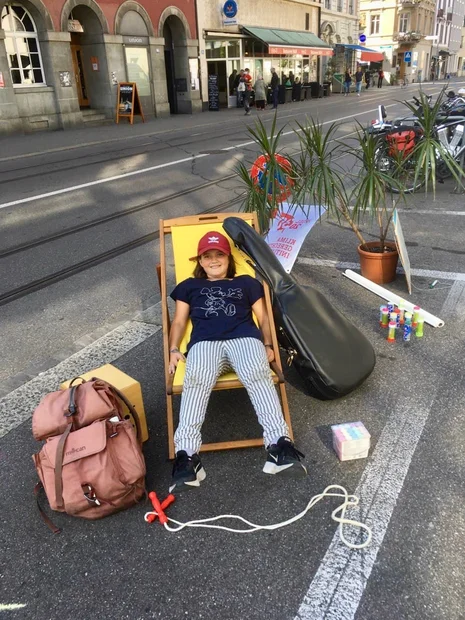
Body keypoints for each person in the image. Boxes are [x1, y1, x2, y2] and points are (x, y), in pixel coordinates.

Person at [168, 231, 307, 492]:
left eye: (218, 254)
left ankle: (278, 446)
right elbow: (178, 321)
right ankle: (187, 457)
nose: (213, 260)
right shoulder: (189, 286)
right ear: (199, 261)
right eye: (206, 256)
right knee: (195, 381)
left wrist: (268, 344)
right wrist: (173, 349)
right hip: (204, 343)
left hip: (244, 338)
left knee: (257, 374)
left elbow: (263, 318)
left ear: (228, 257)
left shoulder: (246, 282)